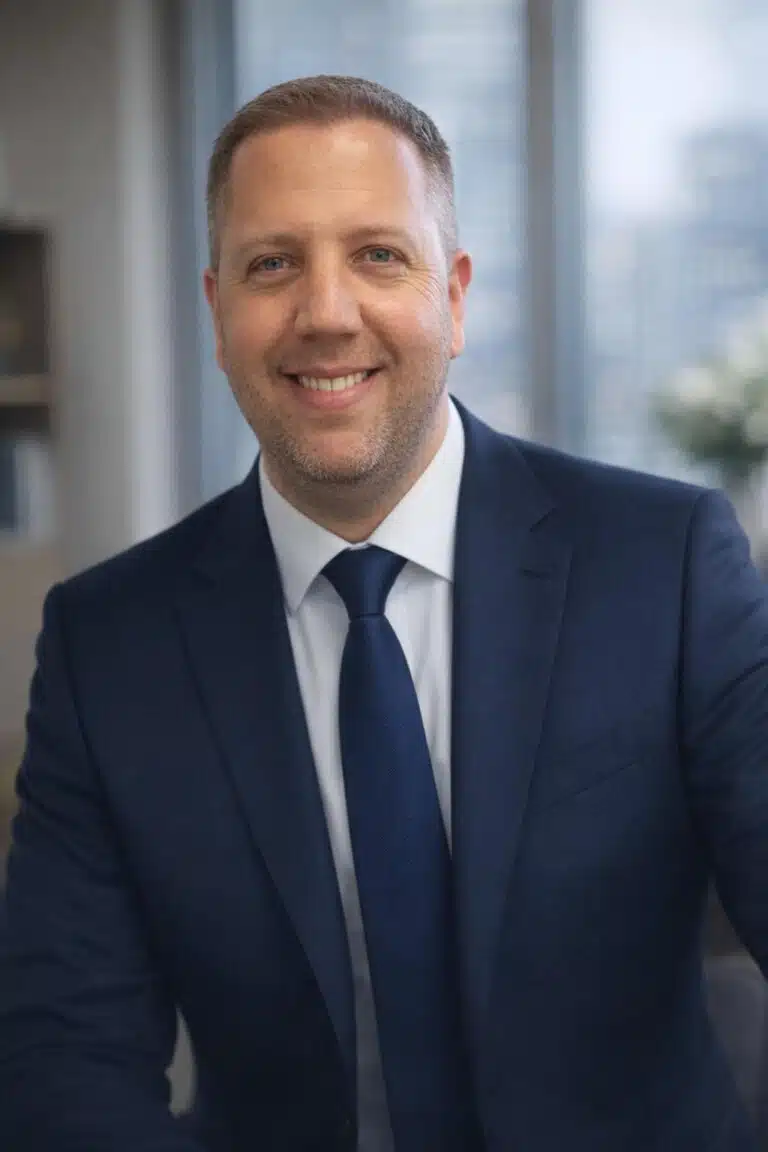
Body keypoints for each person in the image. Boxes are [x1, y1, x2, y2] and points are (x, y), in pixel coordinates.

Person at [0, 73, 767, 1152]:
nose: (326, 313)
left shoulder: (667, 564)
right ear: (217, 312)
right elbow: (64, 1059)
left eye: (377, 255)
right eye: (273, 265)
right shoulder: (108, 646)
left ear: (454, 297)